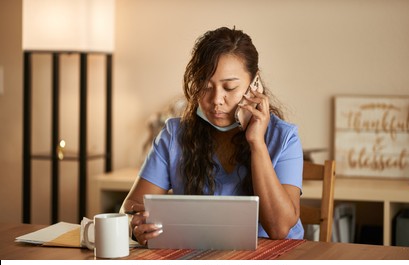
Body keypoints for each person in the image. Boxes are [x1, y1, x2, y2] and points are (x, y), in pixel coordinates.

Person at [121, 26, 304, 246]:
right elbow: (130, 208)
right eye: (206, 87)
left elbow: (279, 228)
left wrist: (257, 144)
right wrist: (135, 226)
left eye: (229, 87)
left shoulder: (284, 137)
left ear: (255, 84)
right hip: (198, 257)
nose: (216, 100)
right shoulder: (174, 134)